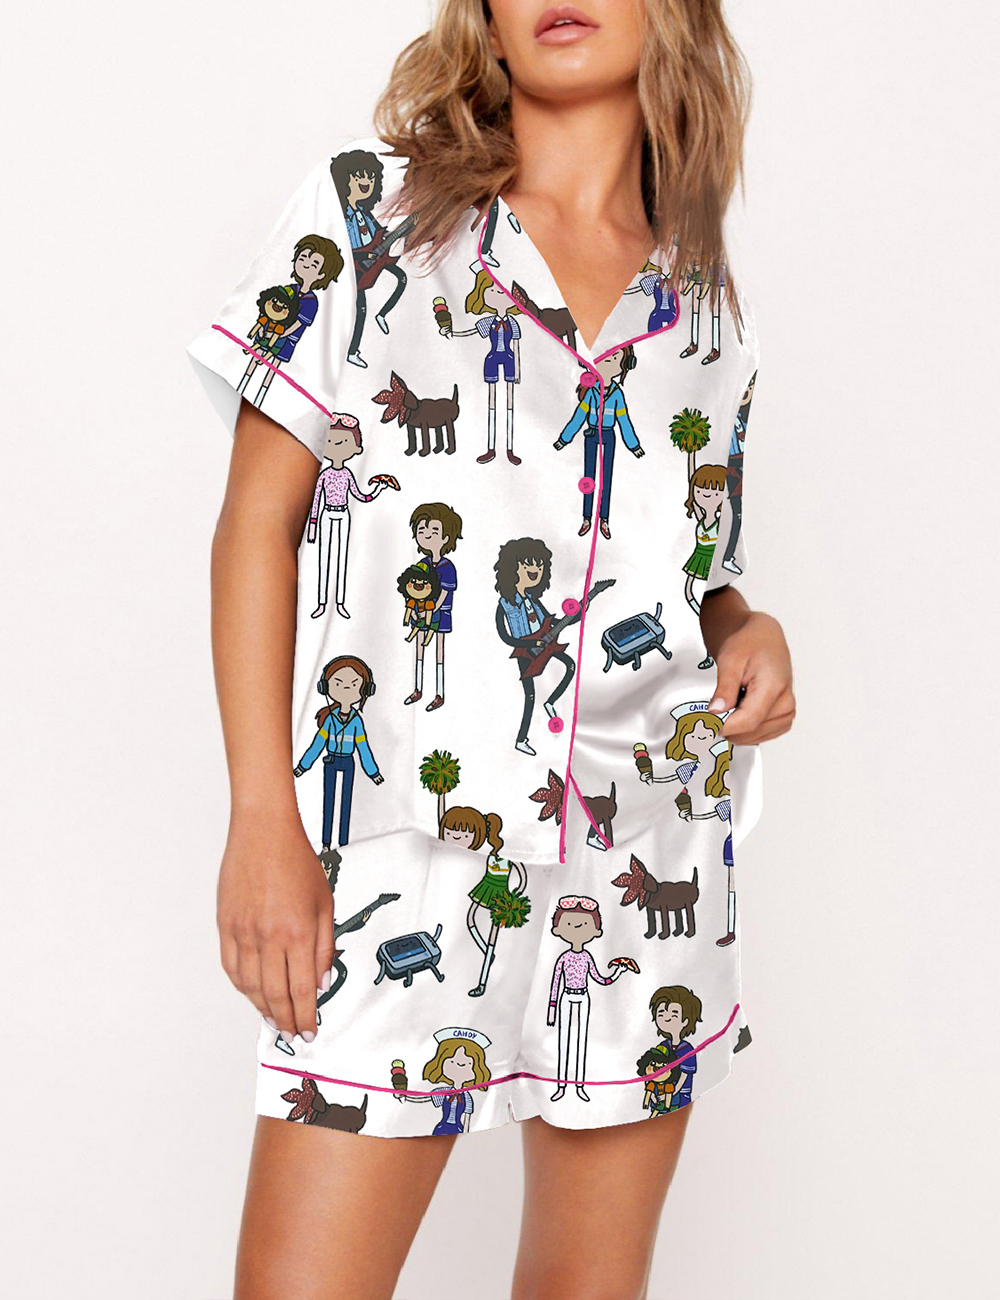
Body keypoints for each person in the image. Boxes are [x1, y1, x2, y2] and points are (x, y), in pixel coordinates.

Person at [186, 4, 796, 1298]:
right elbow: (256, 525)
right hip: (404, 851)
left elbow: (694, 571)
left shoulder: (704, 300)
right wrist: (262, 821)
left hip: (646, 860)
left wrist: (749, 630)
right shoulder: (368, 215)